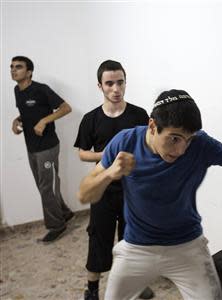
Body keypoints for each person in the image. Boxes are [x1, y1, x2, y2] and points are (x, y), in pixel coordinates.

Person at [78, 89, 222, 299]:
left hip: (187, 245)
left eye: (187, 140)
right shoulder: (125, 142)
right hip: (137, 247)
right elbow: (84, 195)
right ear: (152, 126)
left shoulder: (200, 144)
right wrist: (109, 174)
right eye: (174, 139)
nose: (180, 150)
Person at [74, 60, 154, 300]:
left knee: (133, 241)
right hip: (103, 189)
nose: (116, 89)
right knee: (98, 237)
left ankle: (137, 284)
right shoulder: (91, 119)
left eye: (120, 82)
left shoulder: (139, 114)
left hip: (133, 190)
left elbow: (150, 146)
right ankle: (92, 289)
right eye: (109, 83)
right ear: (100, 86)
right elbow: (81, 153)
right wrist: (109, 154)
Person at [10, 56, 74, 243]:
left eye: (18, 67)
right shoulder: (17, 90)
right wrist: (17, 121)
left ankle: (57, 226)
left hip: (47, 147)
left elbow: (66, 108)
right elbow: (26, 113)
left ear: (29, 72)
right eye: (12, 67)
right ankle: (64, 213)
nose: (14, 70)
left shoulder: (41, 89)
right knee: (45, 186)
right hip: (31, 147)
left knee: (47, 187)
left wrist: (44, 121)